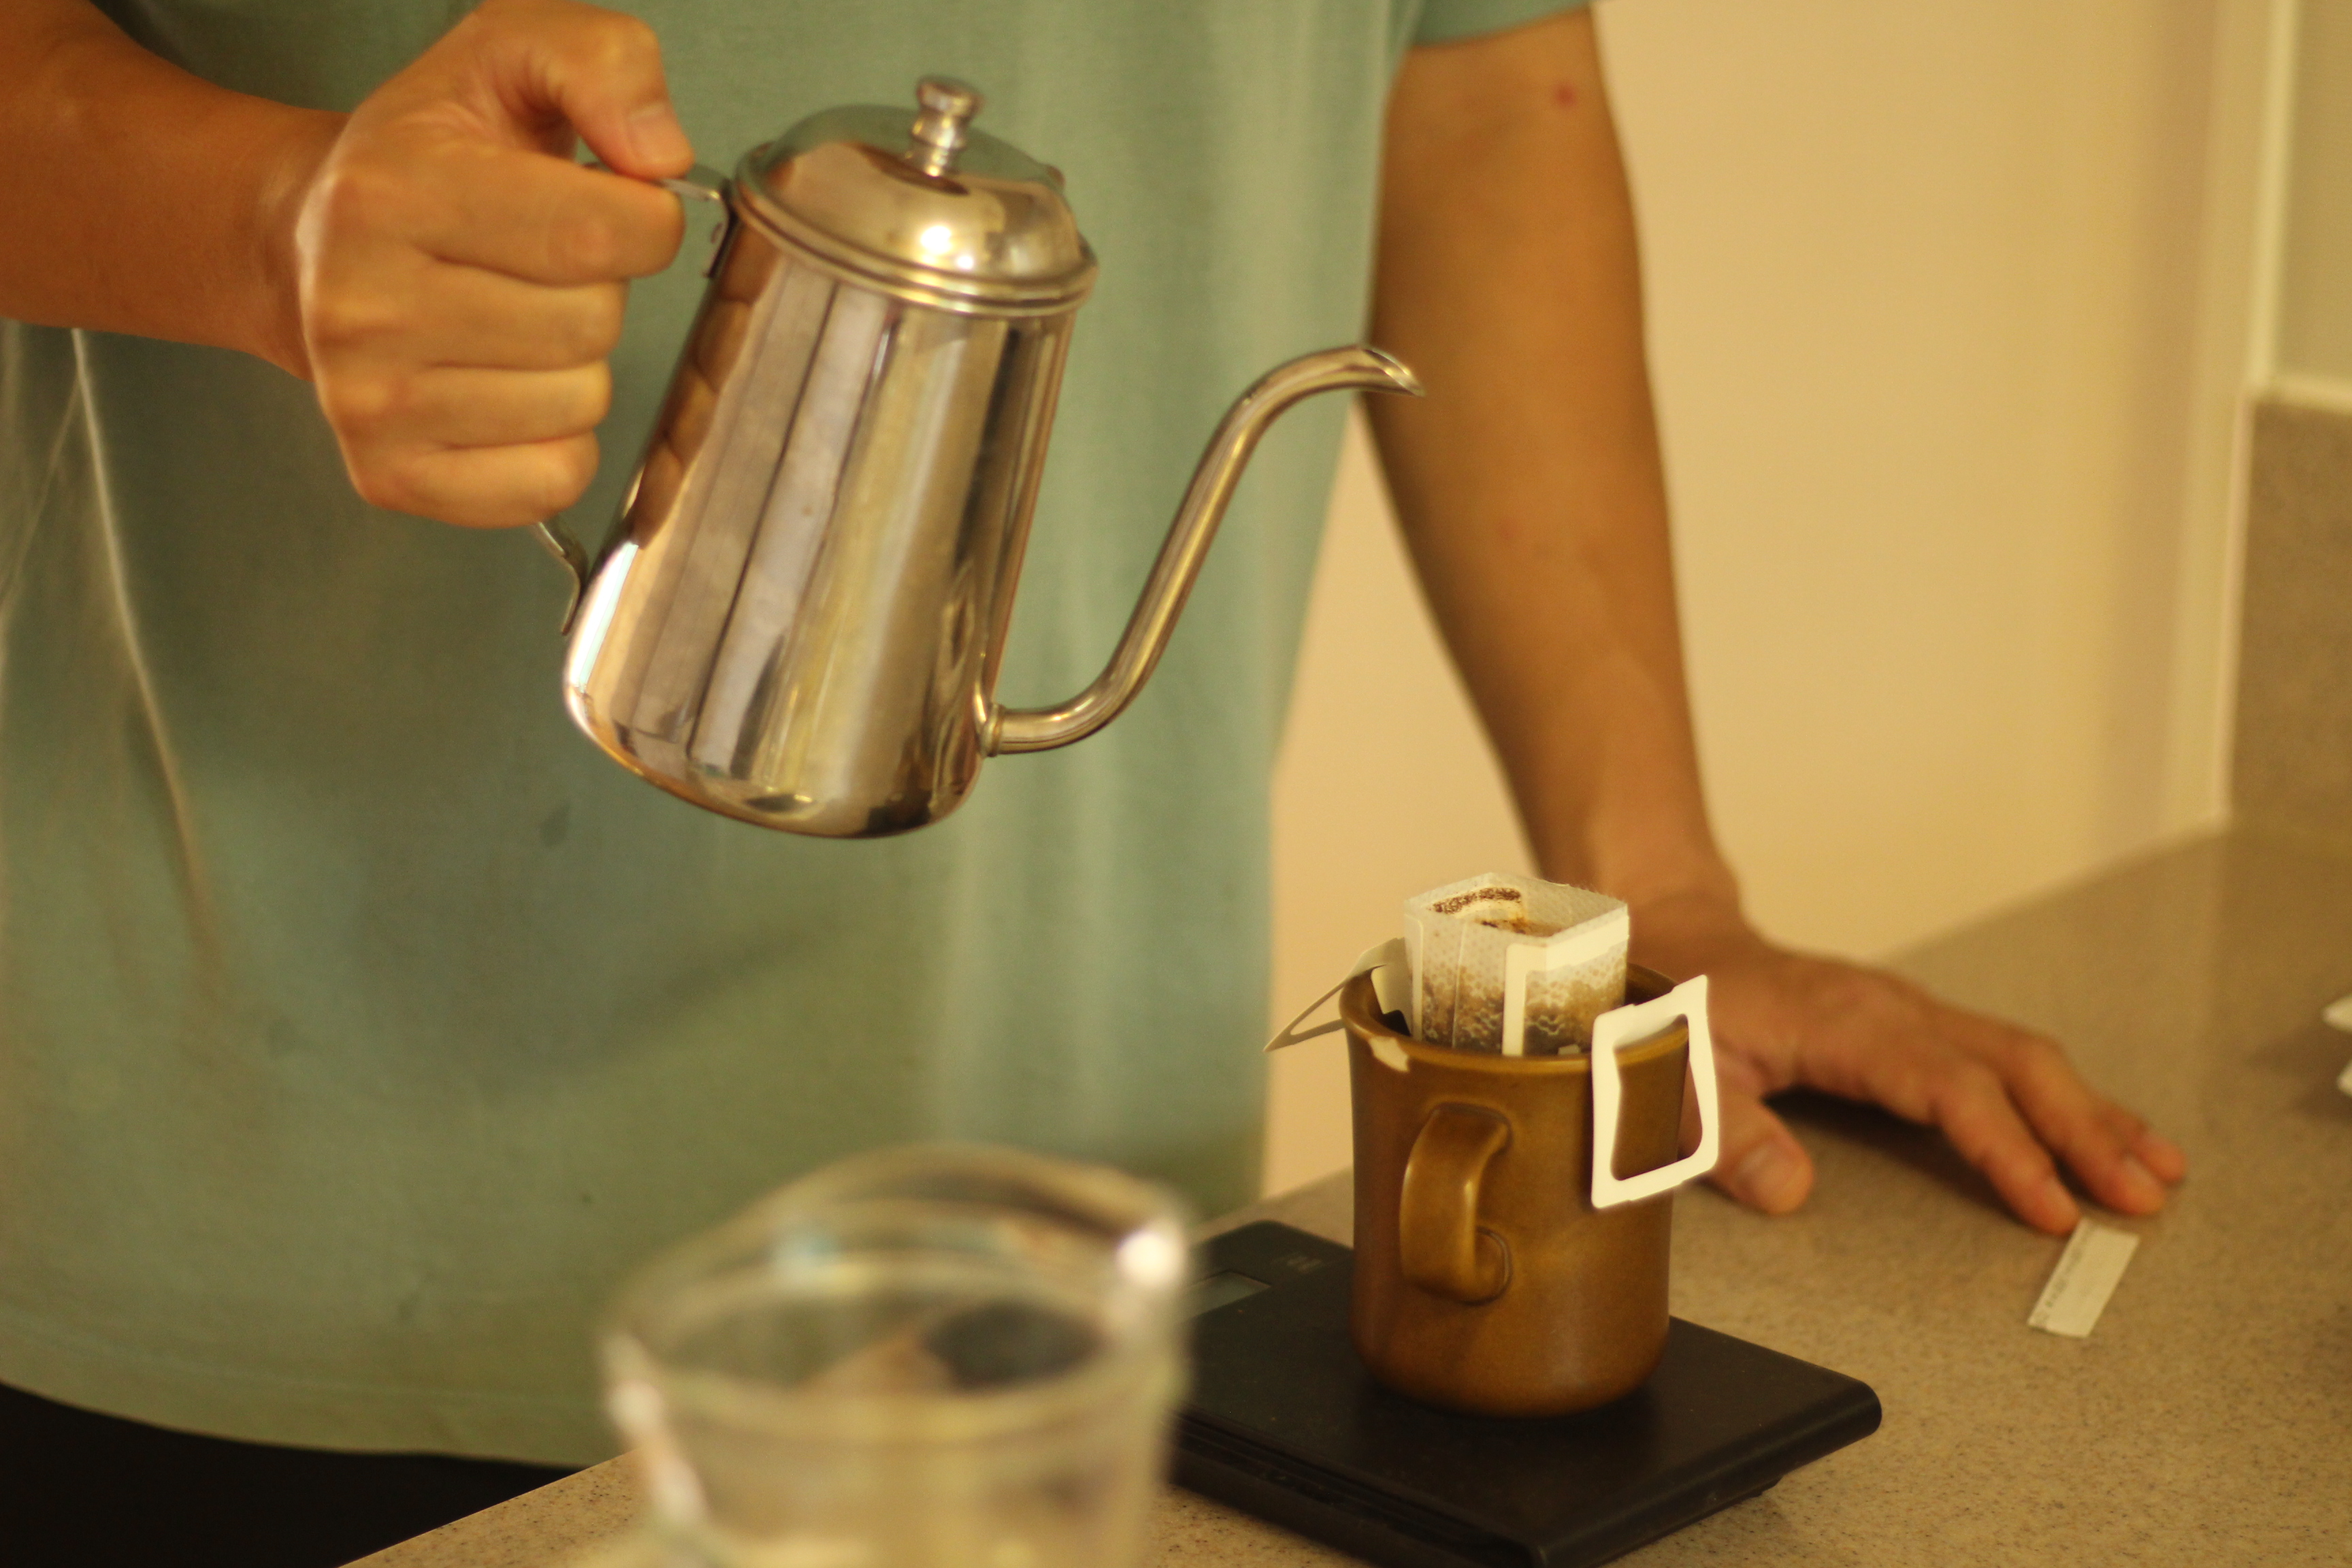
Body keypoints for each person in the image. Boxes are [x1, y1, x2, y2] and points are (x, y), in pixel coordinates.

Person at [0, 0, 2185, 1558]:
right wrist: (275, 220)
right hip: (247, 1272)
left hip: (1090, 1312)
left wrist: (1659, 897)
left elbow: (1477, 91)